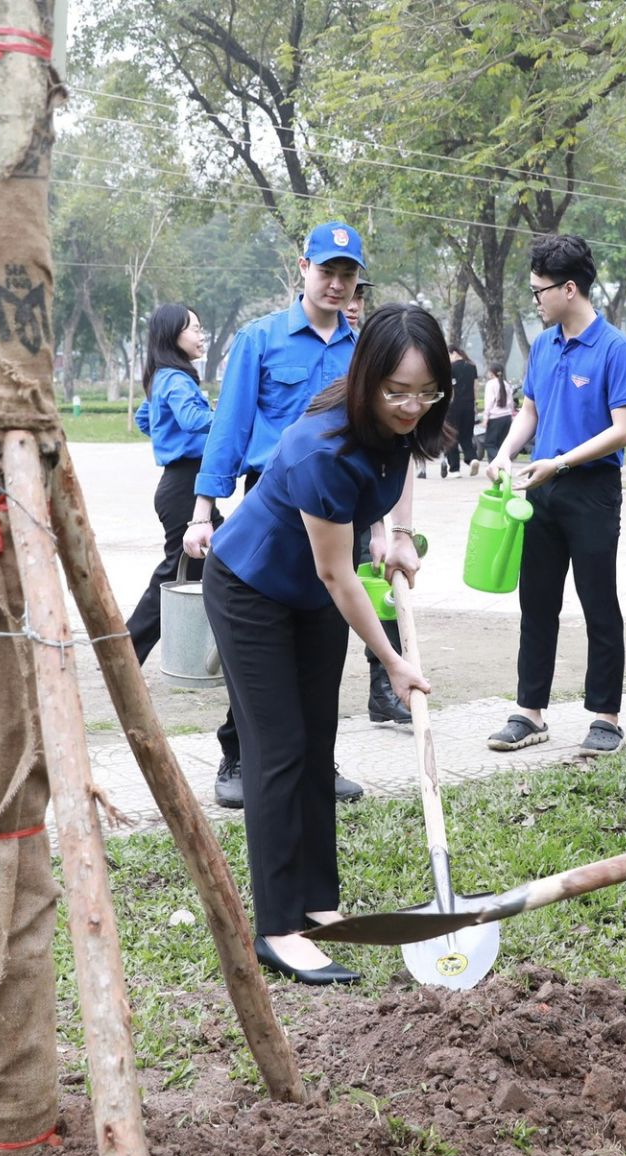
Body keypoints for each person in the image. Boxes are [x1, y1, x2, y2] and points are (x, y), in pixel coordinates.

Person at [191, 303, 444, 984]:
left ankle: (319, 906)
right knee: (278, 752)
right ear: (368, 381)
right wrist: (392, 662)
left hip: (311, 594)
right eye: (397, 391)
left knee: (318, 747)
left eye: (426, 392)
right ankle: (278, 928)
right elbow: (338, 574)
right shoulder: (324, 449)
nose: (412, 406)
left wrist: (397, 534)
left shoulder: (395, 424)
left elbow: (402, 469)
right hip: (253, 592)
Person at [185, 222, 412, 741]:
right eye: (326, 271)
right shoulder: (260, 338)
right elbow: (229, 428)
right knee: (259, 645)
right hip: (274, 511)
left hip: (339, 511)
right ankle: (238, 753)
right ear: (303, 268)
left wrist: (381, 528)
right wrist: (202, 513)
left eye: (347, 274)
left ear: (358, 281)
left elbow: (374, 446)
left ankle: (318, 761)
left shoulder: (365, 352)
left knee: (323, 642)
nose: (336, 284)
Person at [485, 234, 626, 755]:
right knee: (537, 603)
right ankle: (530, 712)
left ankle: (606, 717)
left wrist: (563, 461)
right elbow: (530, 410)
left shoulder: (616, 349)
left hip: (591, 489)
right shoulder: (544, 346)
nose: (535, 299)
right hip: (540, 490)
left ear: (569, 289)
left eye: (539, 291)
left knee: (599, 603)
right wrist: (506, 453)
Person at [119, 304, 249, 804]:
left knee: (187, 570)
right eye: (195, 327)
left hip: (180, 485)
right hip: (184, 488)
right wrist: (230, 416)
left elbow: (144, 418)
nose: (202, 333)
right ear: (173, 334)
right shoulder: (175, 378)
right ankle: (129, 650)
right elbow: (195, 422)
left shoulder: (167, 377)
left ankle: (132, 650)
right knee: (176, 575)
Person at [443, 346, 480, 477]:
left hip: (454, 407)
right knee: (466, 436)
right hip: (469, 406)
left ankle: (454, 469)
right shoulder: (471, 366)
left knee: (451, 436)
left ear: (453, 353)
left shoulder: (451, 368)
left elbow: (449, 389)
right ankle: (472, 458)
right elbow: (476, 387)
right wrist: (474, 404)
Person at [479, 361, 517, 463]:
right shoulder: (506, 384)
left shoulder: (490, 384)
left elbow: (489, 403)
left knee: (490, 443)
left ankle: (497, 462)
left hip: (495, 418)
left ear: (492, 373)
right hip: (507, 417)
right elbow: (511, 404)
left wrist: (485, 419)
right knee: (501, 444)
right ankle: (502, 466)